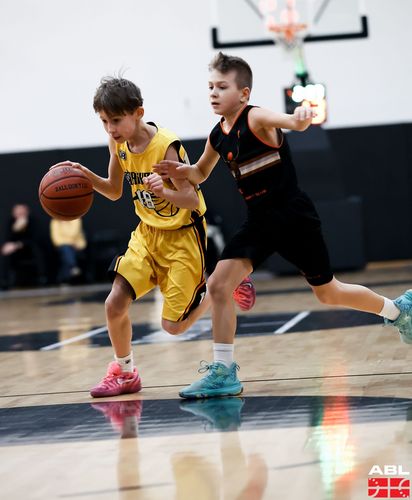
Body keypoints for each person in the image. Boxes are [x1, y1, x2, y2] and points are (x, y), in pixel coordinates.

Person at [153, 52, 412, 399]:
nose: (214, 93)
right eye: (211, 87)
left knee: (328, 292)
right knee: (218, 285)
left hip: (293, 217)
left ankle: (398, 310)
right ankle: (223, 372)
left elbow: (292, 122)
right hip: (259, 220)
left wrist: (300, 116)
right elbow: (200, 172)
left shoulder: (256, 117)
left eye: (222, 87)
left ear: (243, 93)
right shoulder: (217, 135)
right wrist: (181, 172)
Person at [50, 76, 255, 398]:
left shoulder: (166, 146)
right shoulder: (118, 143)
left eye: (116, 120)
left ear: (138, 113)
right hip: (147, 236)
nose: (110, 129)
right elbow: (114, 191)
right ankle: (125, 373)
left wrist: (165, 192)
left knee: (173, 327)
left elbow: (192, 200)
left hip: (183, 238)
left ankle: (223, 285)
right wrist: (86, 176)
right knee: (114, 303)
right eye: (104, 121)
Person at [0, 203, 46, 289]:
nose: (20, 215)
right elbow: (7, 239)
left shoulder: (33, 222)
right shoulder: (11, 222)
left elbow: (35, 239)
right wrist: (16, 229)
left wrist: (18, 244)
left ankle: (42, 278)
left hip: (29, 249)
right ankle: (4, 281)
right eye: (18, 213)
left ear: (27, 213)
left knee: (37, 250)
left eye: (22, 213)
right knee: (5, 252)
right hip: (16, 251)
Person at [50, 218, 87, 284]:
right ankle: (73, 266)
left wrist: (73, 244)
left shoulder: (76, 219)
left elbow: (75, 233)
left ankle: (64, 278)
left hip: (77, 245)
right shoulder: (55, 221)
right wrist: (70, 243)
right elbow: (56, 239)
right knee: (66, 249)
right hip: (62, 246)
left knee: (66, 256)